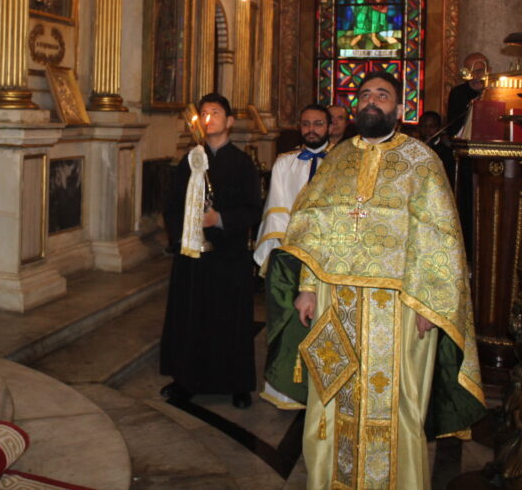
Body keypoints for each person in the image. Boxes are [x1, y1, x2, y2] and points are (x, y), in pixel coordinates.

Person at [271, 72, 485, 489]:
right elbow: (314, 228)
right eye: (365, 94)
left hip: (400, 306)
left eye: (382, 95)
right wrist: (308, 289)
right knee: (333, 395)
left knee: (398, 403)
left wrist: (431, 304)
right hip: (337, 300)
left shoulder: (421, 160)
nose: (371, 101)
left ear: (399, 109)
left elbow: (438, 235)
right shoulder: (337, 159)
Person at [161, 93, 262, 409]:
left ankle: (237, 384)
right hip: (193, 256)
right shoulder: (190, 160)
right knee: (191, 317)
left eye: (215, 112)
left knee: (230, 320)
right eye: (204, 113)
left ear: (229, 121)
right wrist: (184, 233)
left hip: (228, 256)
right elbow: (172, 205)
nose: (208, 118)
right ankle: (187, 380)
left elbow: (254, 209)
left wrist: (219, 219)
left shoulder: (242, 164)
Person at [254, 103, 330, 410]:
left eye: (318, 124)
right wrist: (286, 252)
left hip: (326, 258)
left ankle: (323, 390)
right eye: (306, 123)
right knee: (288, 324)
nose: (311, 129)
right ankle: (284, 389)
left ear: (329, 127)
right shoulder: (285, 163)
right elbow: (276, 209)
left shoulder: (341, 163)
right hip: (290, 257)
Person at [446, 52, 488, 136]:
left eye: (479, 71)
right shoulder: (458, 93)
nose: (474, 76)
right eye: (470, 72)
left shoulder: (497, 92)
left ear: (489, 70)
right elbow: (453, 127)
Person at [417, 110, 455, 186]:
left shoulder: (446, 151)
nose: (427, 130)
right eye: (424, 126)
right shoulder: (414, 148)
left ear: (439, 128)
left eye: (432, 127)